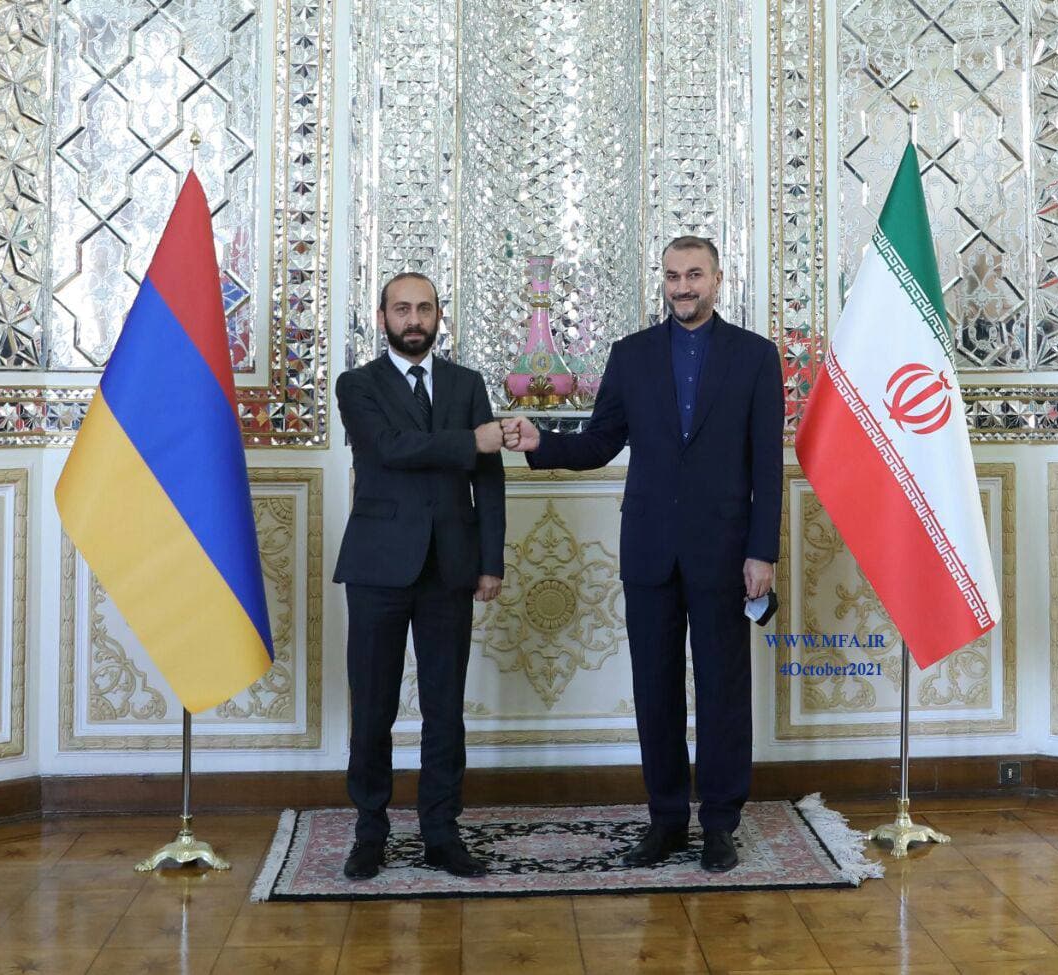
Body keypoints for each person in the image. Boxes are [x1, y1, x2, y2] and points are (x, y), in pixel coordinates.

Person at [503, 237, 782, 872]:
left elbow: (768, 466)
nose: (683, 287)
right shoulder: (631, 356)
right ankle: (666, 821)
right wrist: (539, 442)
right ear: (662, 282)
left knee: (723, 691)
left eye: (694, 275)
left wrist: (762, 552)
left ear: (717, 279)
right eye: (672, 276)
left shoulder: (755, 358)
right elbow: (601, 442)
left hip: (726, 555)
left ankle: (719, 824)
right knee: (654, 690)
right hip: (650, 551)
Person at [334, 272, 505, 880]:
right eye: (401, 309)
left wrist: (491, 561)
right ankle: (370, 833)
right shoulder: (357, 384)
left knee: (444, 708)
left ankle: (441, 832)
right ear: (382, 318)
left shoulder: (467, 384)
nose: (414, 319)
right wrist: (471, 440)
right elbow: (389, 447)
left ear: (439, 316)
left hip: (452, 568)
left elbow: (489, 479)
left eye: (424, 309)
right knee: (374, 706)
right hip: (379, 567)